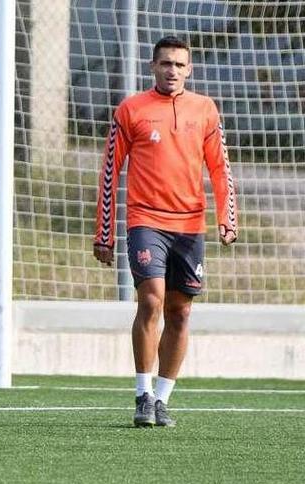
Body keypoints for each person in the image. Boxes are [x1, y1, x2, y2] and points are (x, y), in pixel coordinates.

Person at [93, 36, 237, 428]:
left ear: (188, 70)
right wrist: (103, 232)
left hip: (190, 226)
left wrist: (228, 216)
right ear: (152, 67)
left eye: (179, 64)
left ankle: (162, 399)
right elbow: (110, 171)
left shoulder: (205, 110)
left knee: (181, 310)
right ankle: (142, 394)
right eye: (165, 64)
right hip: (145, 221)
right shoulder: (131, 110)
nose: (171, 70)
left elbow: (220, 168)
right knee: (152, 301)